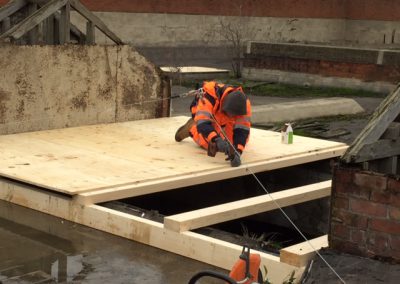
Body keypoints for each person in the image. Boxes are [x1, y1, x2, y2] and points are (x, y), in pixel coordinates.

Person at [175, 81, 251, 167]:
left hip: (222, 116)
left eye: (233, 115)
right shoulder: (209, 96)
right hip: (203, 114)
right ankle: (192, 128)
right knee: (209, 144)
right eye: (228, 113)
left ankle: (221, 132)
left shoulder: (244, 104)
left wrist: (238, 151)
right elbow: (203, 123)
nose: (230, 116)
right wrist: (216, 139)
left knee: (233, 145)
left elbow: (242, 130)